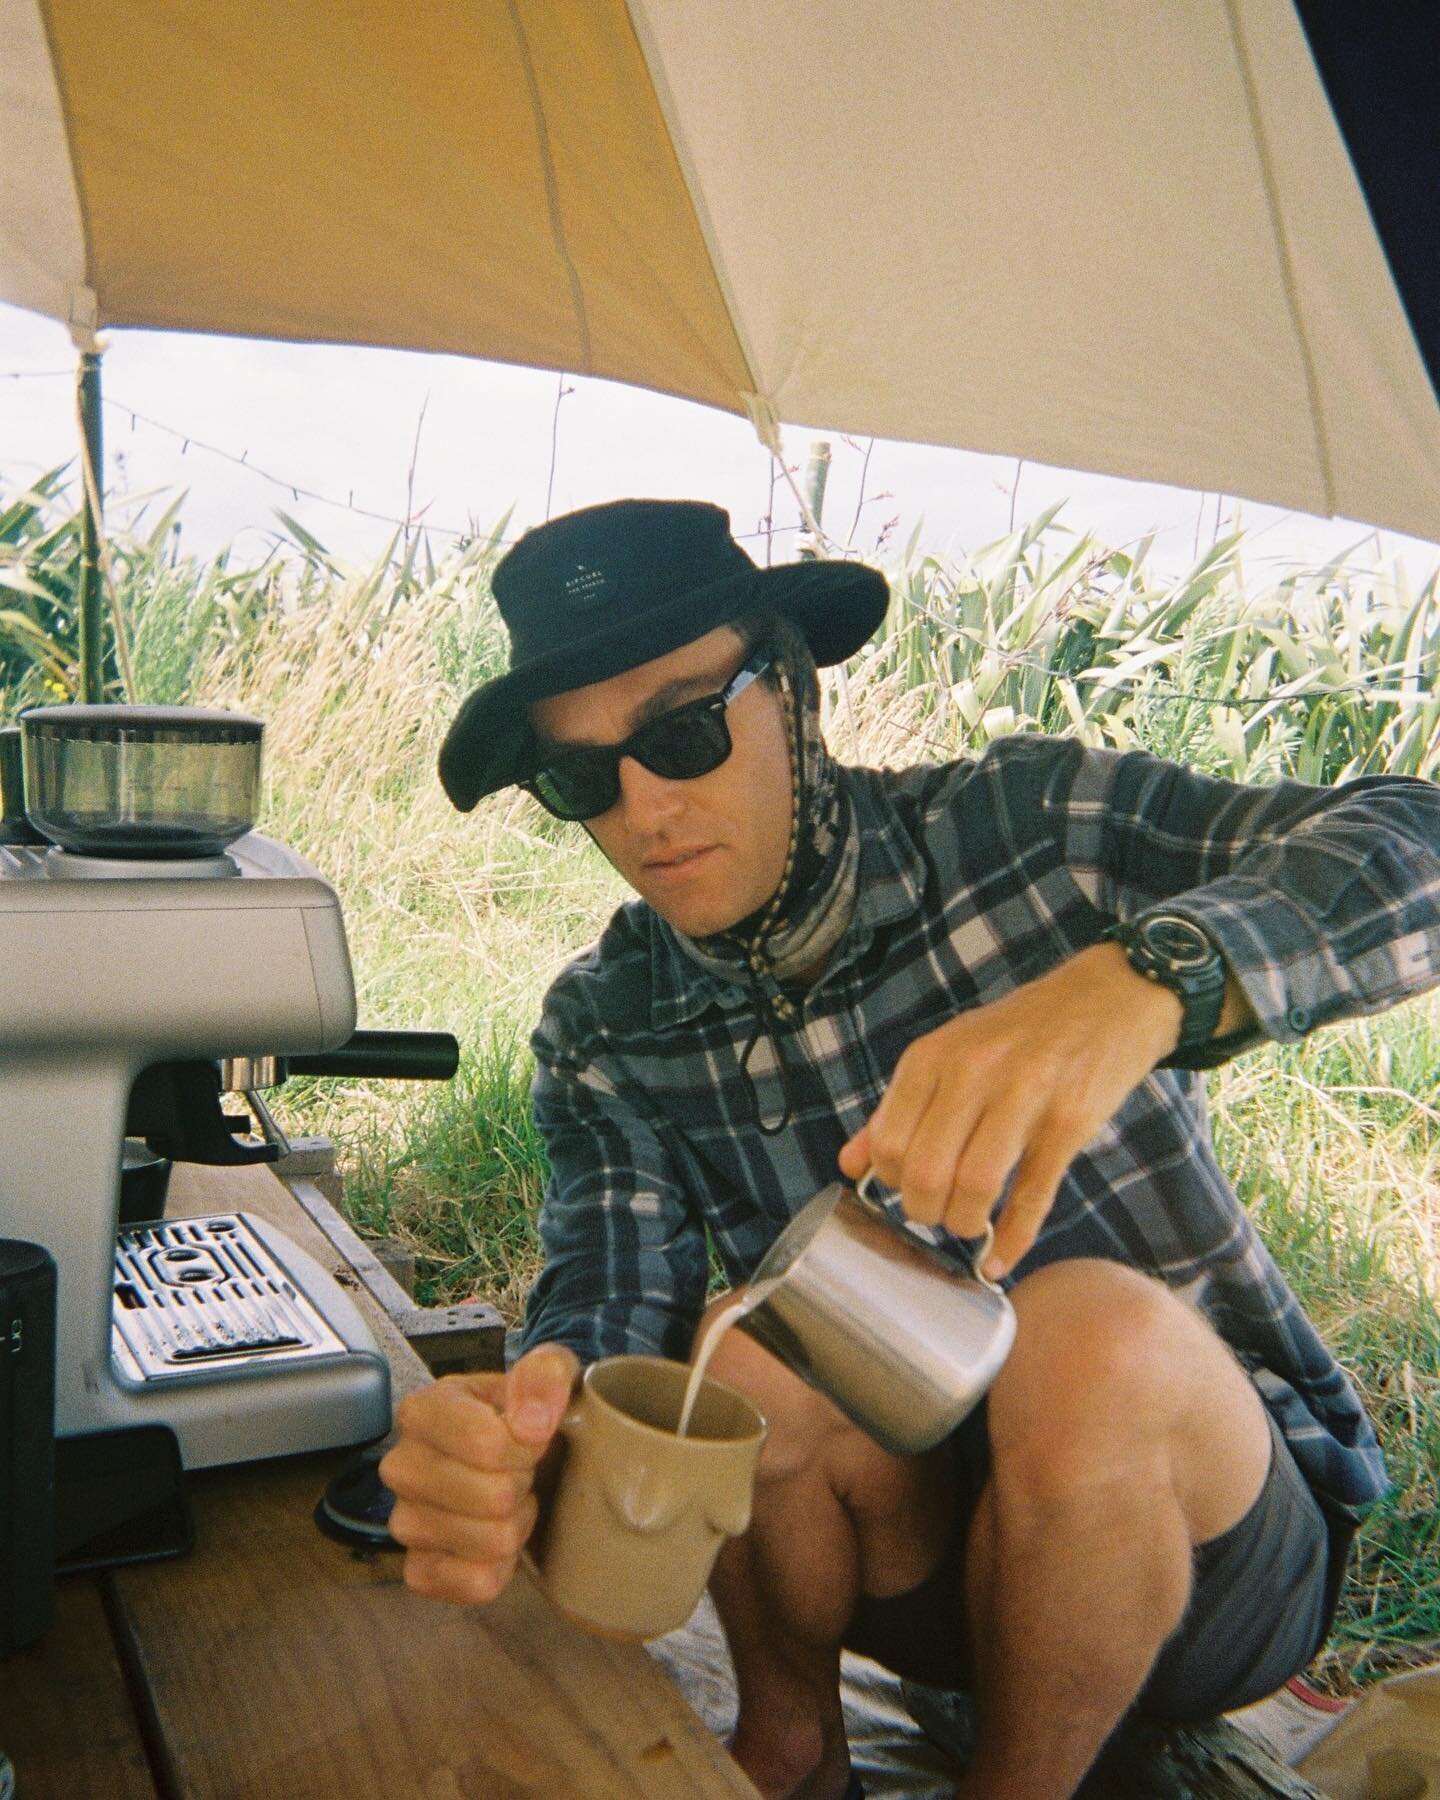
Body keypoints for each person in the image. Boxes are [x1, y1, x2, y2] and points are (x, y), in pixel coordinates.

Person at [379, 499, 1440, 1800]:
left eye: (682, 729)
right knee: (745, 1350)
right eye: (583, 777)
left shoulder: (1029, 828)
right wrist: (536, 1422)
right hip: (915, 1557)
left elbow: (1417, 839)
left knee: (1087, 1335)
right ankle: (790, 1746)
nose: (647, 808)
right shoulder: (609, 1024)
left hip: (1210, 1552)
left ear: (793, 685)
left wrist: (1143, 980)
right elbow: (617, 1311)